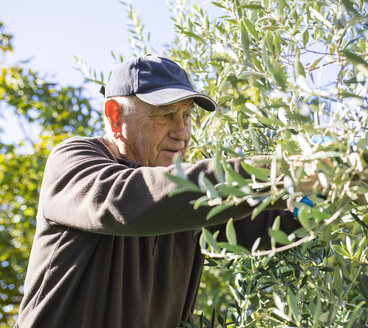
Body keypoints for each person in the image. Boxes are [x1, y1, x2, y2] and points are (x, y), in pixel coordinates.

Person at [16, 55, 299, 328]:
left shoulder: (190, 203)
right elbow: (126, 201)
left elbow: (276, 223)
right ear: (115, 117)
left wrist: (325, 186)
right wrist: (279, 172)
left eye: (186, 116)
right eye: (165, 115)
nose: (182, 133)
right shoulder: (74, 161)